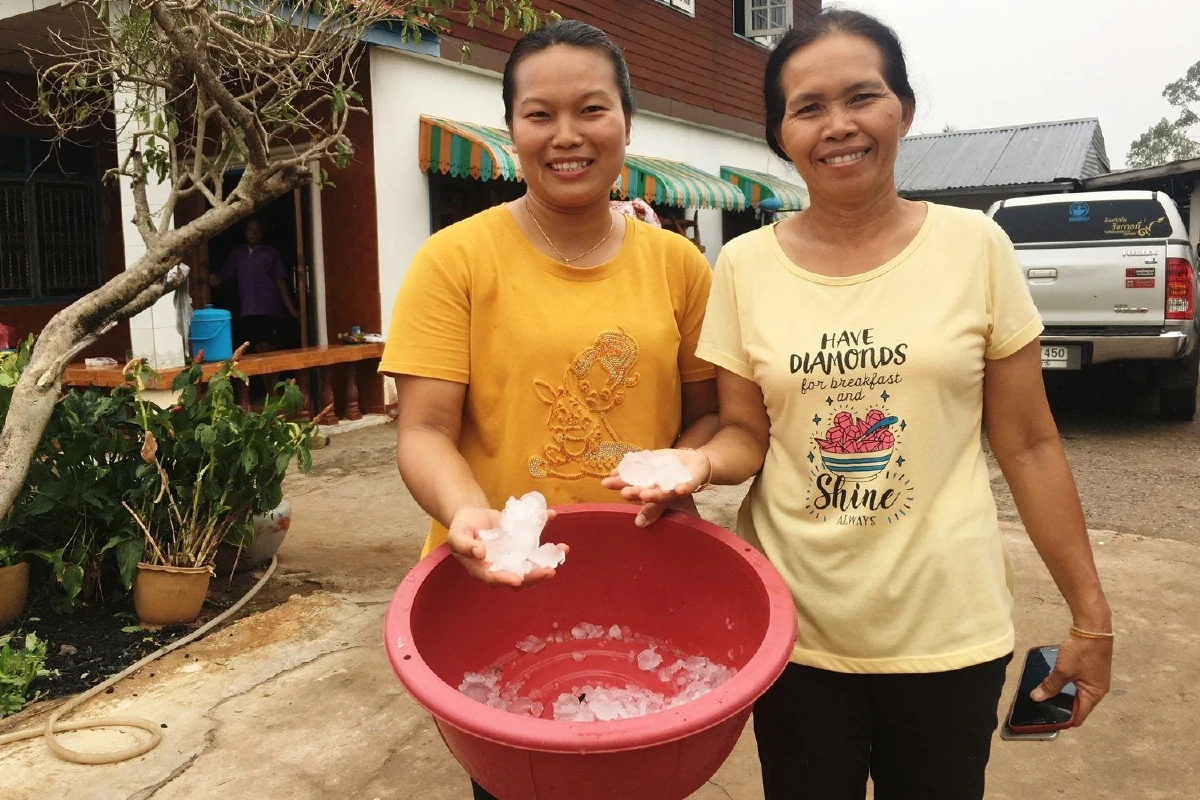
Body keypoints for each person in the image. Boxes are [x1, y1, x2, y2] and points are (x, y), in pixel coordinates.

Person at [605, 9, 1113, 799]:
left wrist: (1091, 616)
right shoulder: (743, 266)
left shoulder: (975, 247)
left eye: (862, 97)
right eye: (808, 108)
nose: (837, 126)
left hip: (949, 634)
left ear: (903, 110)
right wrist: (697, 462)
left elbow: (1030, 444)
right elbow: (746, 431)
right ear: (780, 133)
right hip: (795, 637)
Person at [377, 20, 718, 800]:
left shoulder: (679, 265)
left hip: (649, 578)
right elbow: (424, 432)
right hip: (496, 587)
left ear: (629, 123)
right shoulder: (453, 260)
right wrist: (471, 515)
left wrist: (685, 463)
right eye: (540, 114)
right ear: (511, 131)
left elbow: (709, 417)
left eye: (592, 109)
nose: (567, 136)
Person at [209, 217, 298, 352]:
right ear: (245, 233)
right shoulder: (237, 254)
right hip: (246, 311)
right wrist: (213, 276)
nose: (253, 233)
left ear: (263, 233)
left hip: (270, 309)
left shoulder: (271, 253)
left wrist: (292, 310)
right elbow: (224, 277)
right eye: (250, 230)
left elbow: (281, 282)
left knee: (270, 348)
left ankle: (271, 374)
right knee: (254, 349)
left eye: (257, 230)